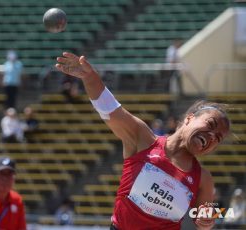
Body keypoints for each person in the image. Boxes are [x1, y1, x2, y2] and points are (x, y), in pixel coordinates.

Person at [55, 52, 231, 230]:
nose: (211, 136)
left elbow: (204, 215)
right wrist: (89, 77)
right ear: (189, 118)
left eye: (218, 138)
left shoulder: (203, 179)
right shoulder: (143, 139)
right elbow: (109, 109)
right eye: (210, 124)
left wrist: (209, 218)